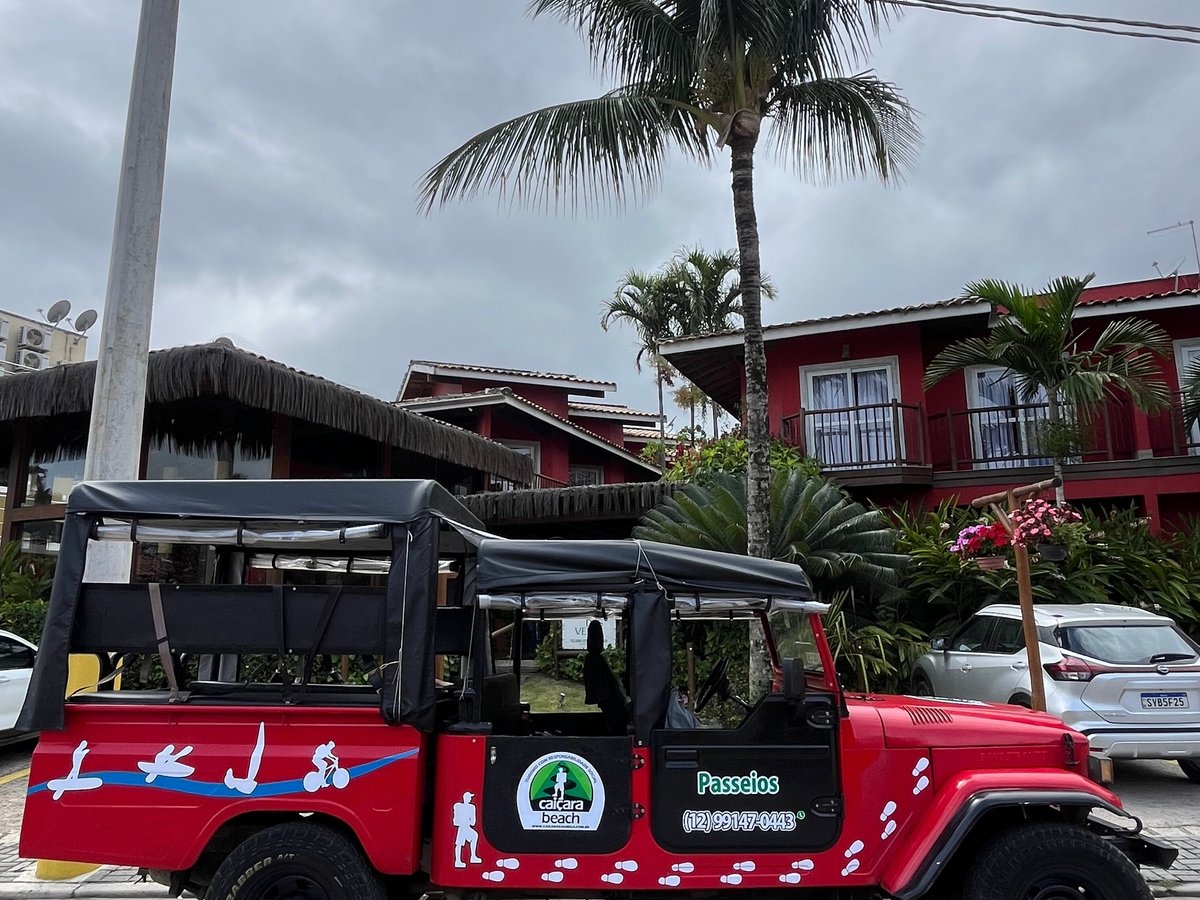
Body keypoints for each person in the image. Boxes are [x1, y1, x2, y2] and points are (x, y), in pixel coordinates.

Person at [582, 620, 628, 735]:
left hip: (608, 699)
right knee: (616, 726)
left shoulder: (593, 659)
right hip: (609, 700)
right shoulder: (596, 659)